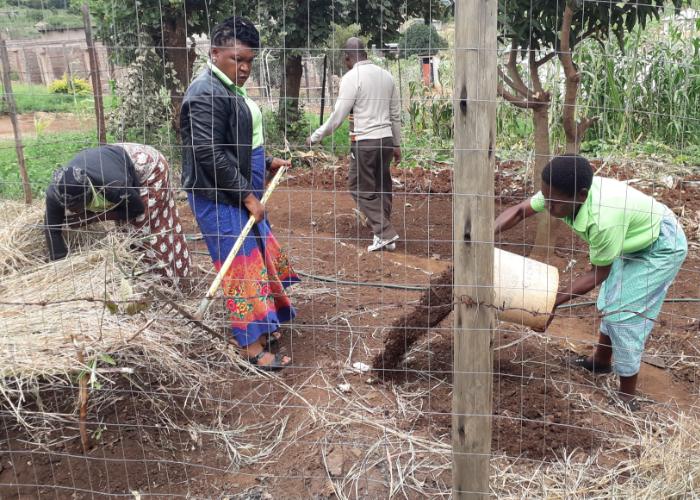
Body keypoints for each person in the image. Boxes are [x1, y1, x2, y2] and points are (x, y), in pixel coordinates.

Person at [494, 155, 687, 407]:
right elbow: (520, 211)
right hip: (632, 237)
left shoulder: (602, 221)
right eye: (545, 197)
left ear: (582, 196)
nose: (548, 208)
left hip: (661, 246)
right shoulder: (559, 193)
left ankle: (627, 396)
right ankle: (600, 362)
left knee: (624, 314)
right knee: (609, 300)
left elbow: (598, 273)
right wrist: (484, 232)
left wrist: (549, 303)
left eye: (554, 203)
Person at [180, 16, 298, 371]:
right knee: (239, 268)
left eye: (249, 61)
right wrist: (248, 196)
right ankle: (248, 346)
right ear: (214, 53)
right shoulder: (206, 93)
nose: (244, 68)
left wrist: (266, 162)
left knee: (253, 260)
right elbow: (209, 153)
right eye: (237, 59)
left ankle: (260, 329)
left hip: (237, 190)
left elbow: (238, 141)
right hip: (219, 197)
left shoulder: (228, 87)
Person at [44, 143, 191, 284]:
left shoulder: (113, 185)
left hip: (148, 166)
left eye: (77, 206)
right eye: (70, 208)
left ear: (88, 193)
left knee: (141, 229)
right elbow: (52, 229)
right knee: (125, 230)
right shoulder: (56, 193)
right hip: (113, 163)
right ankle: (137, 277)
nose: (74, 211)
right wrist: (61, 269)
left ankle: (165, 279)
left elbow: (137, 209)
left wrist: (93, 218)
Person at [306, 37, 401, 252]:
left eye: (345, 59)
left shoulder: (351, 77)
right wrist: (397, 143)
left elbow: (338, 116)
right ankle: (382, 234)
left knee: (358, 187)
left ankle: (385, 232)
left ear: (348, 57)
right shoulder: (387, 76)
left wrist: (315, 137)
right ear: (365, 54)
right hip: (385, 140)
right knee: (382, 186)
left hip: (365, 141)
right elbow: (395, 114)